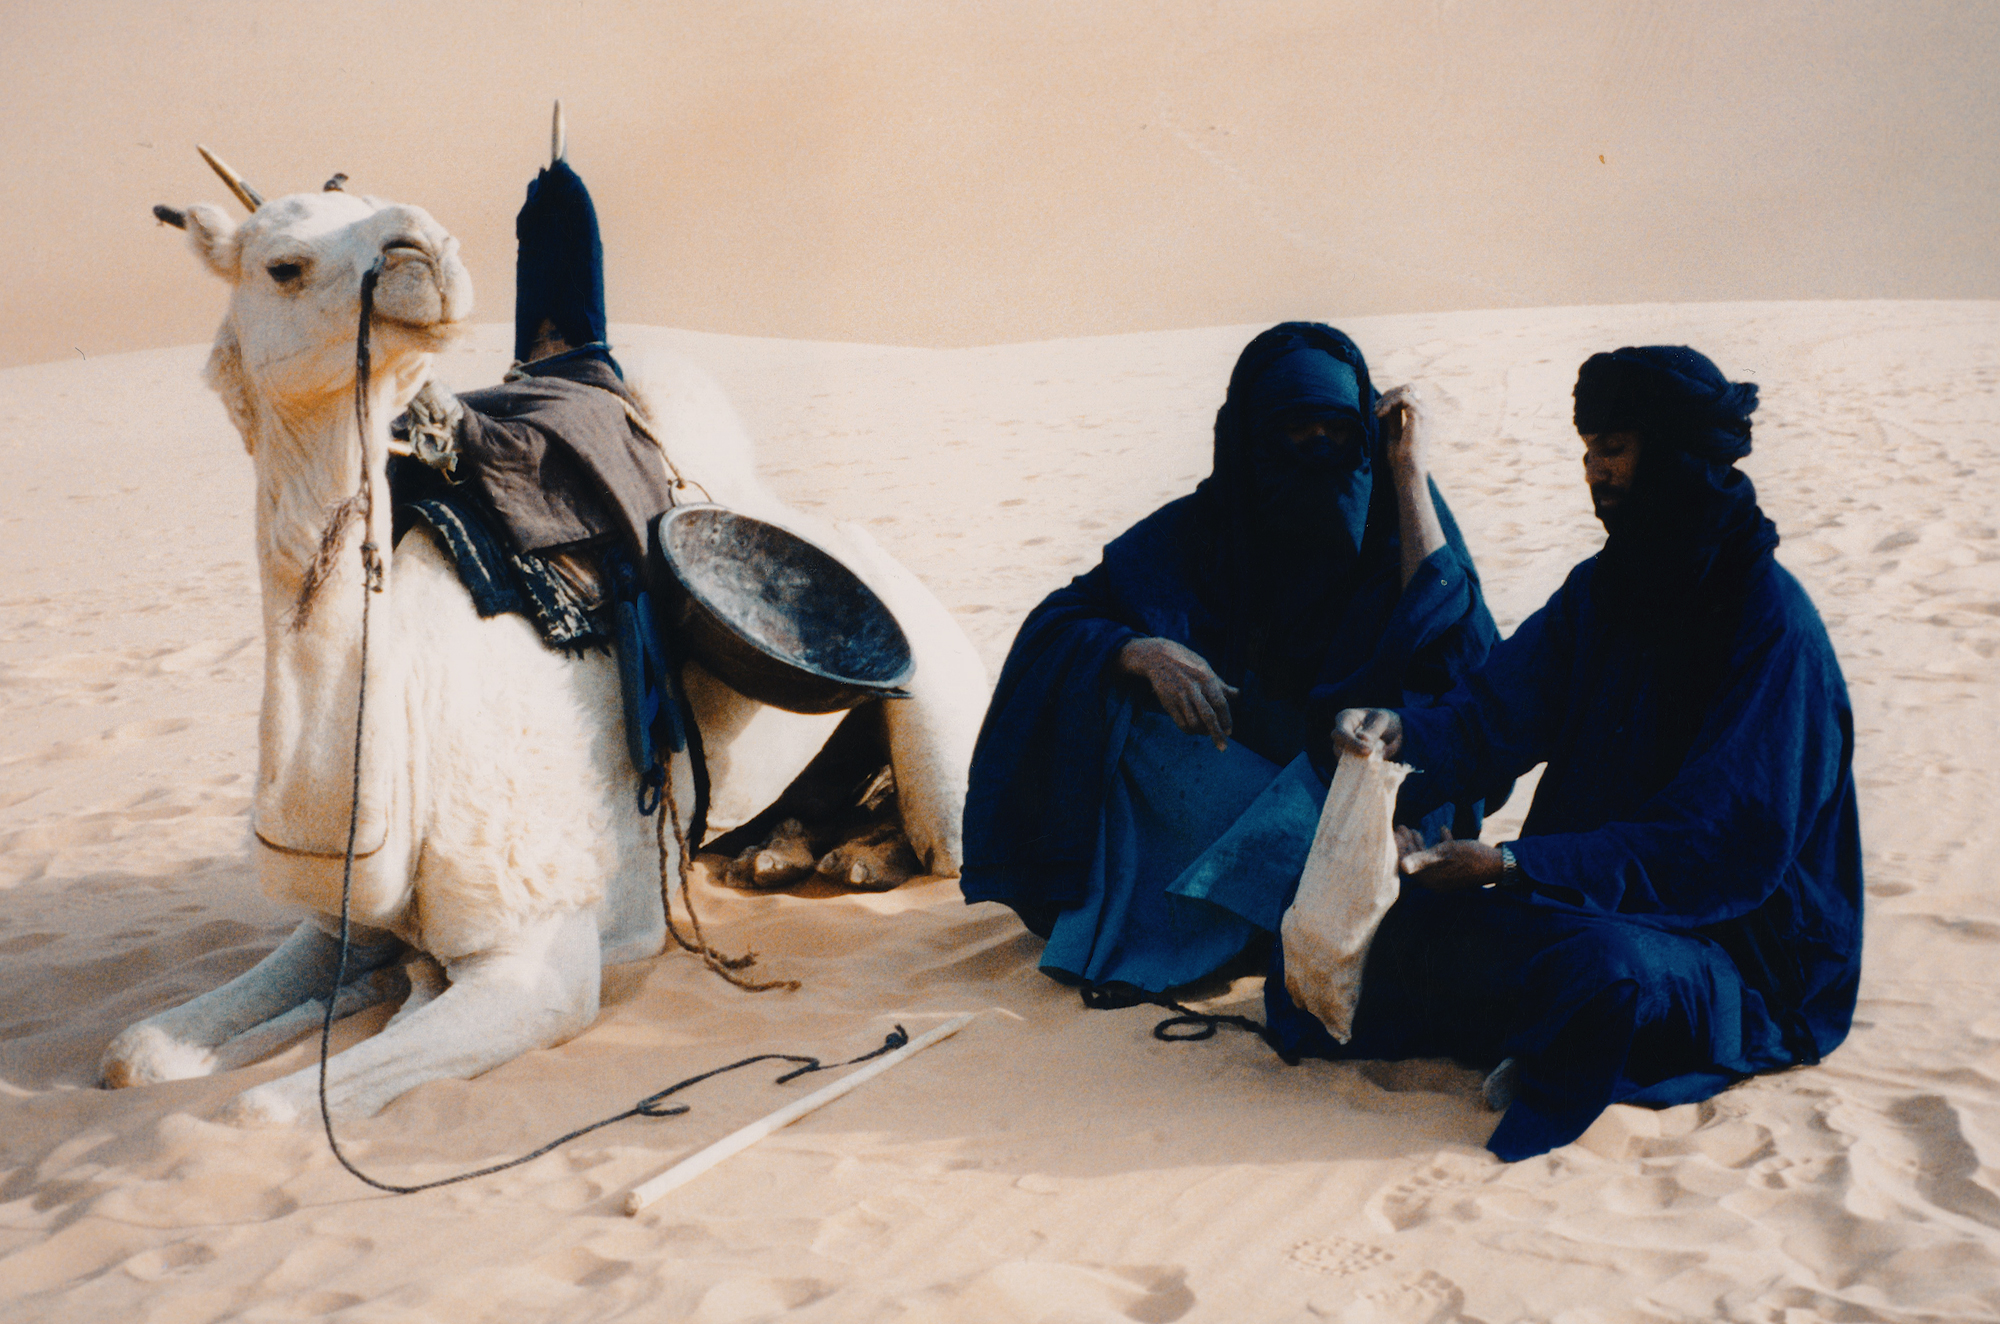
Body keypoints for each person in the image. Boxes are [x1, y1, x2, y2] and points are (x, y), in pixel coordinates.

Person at [1299, 345, 1862, 1160]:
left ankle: (1551, 1038)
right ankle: (1534, 1027)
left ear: (1673, 454)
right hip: (1574, 900)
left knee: (1601, 972)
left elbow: (1721, 844)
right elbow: (1490, 718)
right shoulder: (1604, 592)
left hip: (1739, 951)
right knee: (1393, 924)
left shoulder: (1771, 628)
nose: (1596, 473)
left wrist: (1516, 867)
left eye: (1616, 450)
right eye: (1589, 453)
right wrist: (1397, 733)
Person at [960, 323, 1502, 994]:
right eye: (1293, 431)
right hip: (1250, 789)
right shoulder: (1208, 530)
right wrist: (1141, 652)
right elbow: (1059, 625)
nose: (1318, 450)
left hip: (1392, 802)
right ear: (1249, 441)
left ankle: (1317, 893)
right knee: (1118, 708)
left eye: (1336, 431)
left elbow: (1465, 668)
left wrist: (1408, 470)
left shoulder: (1402, 514)